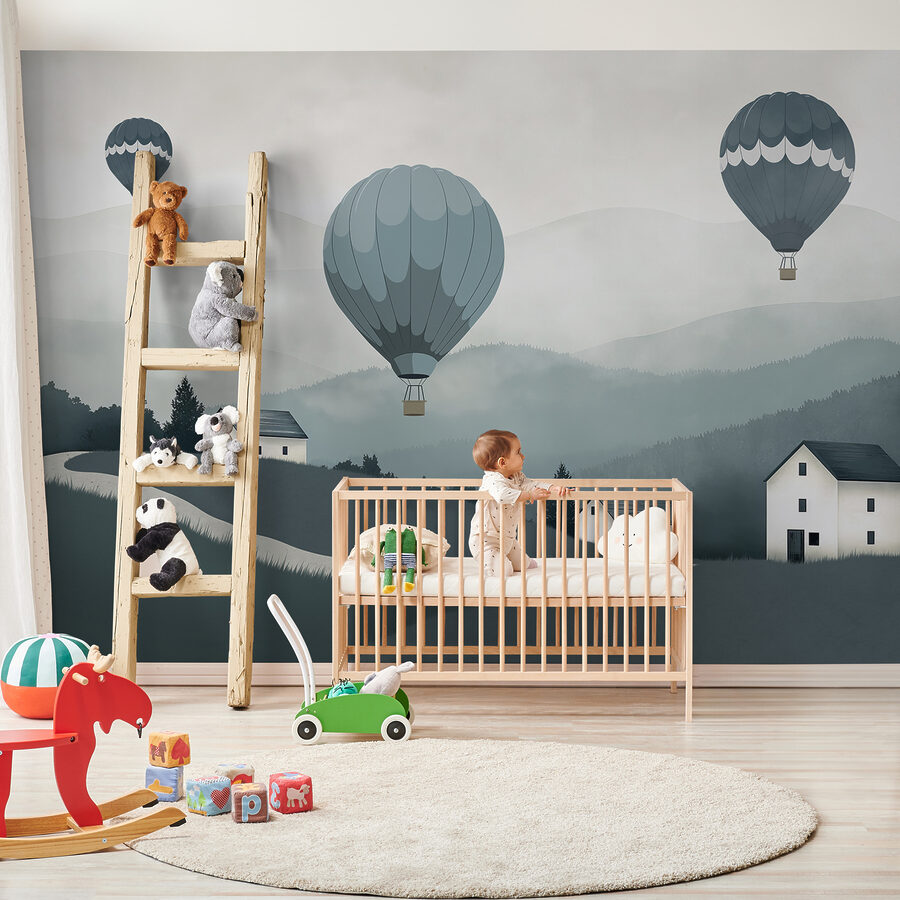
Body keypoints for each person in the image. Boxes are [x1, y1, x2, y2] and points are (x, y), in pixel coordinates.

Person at [469, 429, 571, 577]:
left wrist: (553, 488)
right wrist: (529, 495)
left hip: (507, 540)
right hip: (487, 541)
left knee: (524, 565)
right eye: (518, 452)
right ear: (502, 462)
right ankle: (489, 566)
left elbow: (531, 484)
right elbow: (502, 495)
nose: (523, 456)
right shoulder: (493, 480)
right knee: (505, 571)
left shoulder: (516, 477)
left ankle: (508, 558)